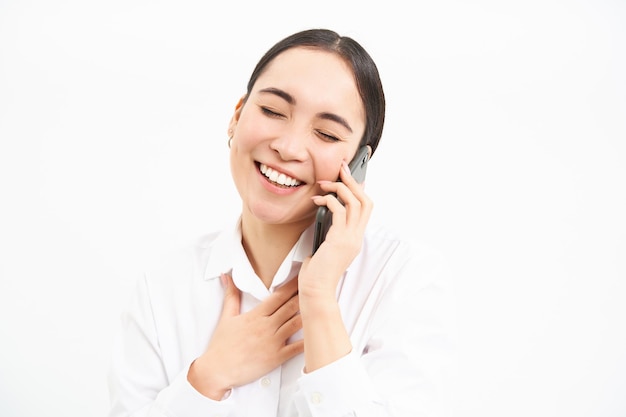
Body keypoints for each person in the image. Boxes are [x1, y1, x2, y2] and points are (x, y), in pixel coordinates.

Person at [108, 28, 456, 417]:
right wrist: (207, 378)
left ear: (358, 165)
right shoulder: (163, 286)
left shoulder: (402, 277)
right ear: (236, 116)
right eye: (273, 111)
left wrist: (320, 302)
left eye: (326, 133)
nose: (287, 148)